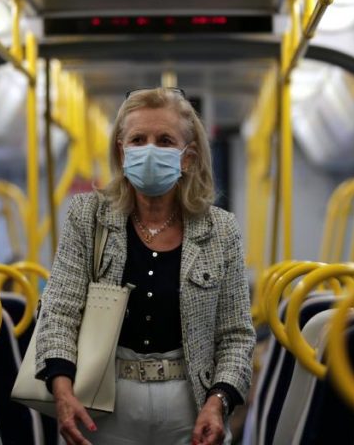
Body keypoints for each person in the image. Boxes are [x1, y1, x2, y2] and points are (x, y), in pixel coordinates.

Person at [34, 87, 255, 445]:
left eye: (165, 140)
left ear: (188, 157)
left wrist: (219, 401)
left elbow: (236, 335)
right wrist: (62, 390)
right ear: (122, 152)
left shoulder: (220, 230)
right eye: (138, 139)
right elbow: (59, 313)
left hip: (191, 404)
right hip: (102, 401)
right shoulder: (87, 218)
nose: (149, 149)